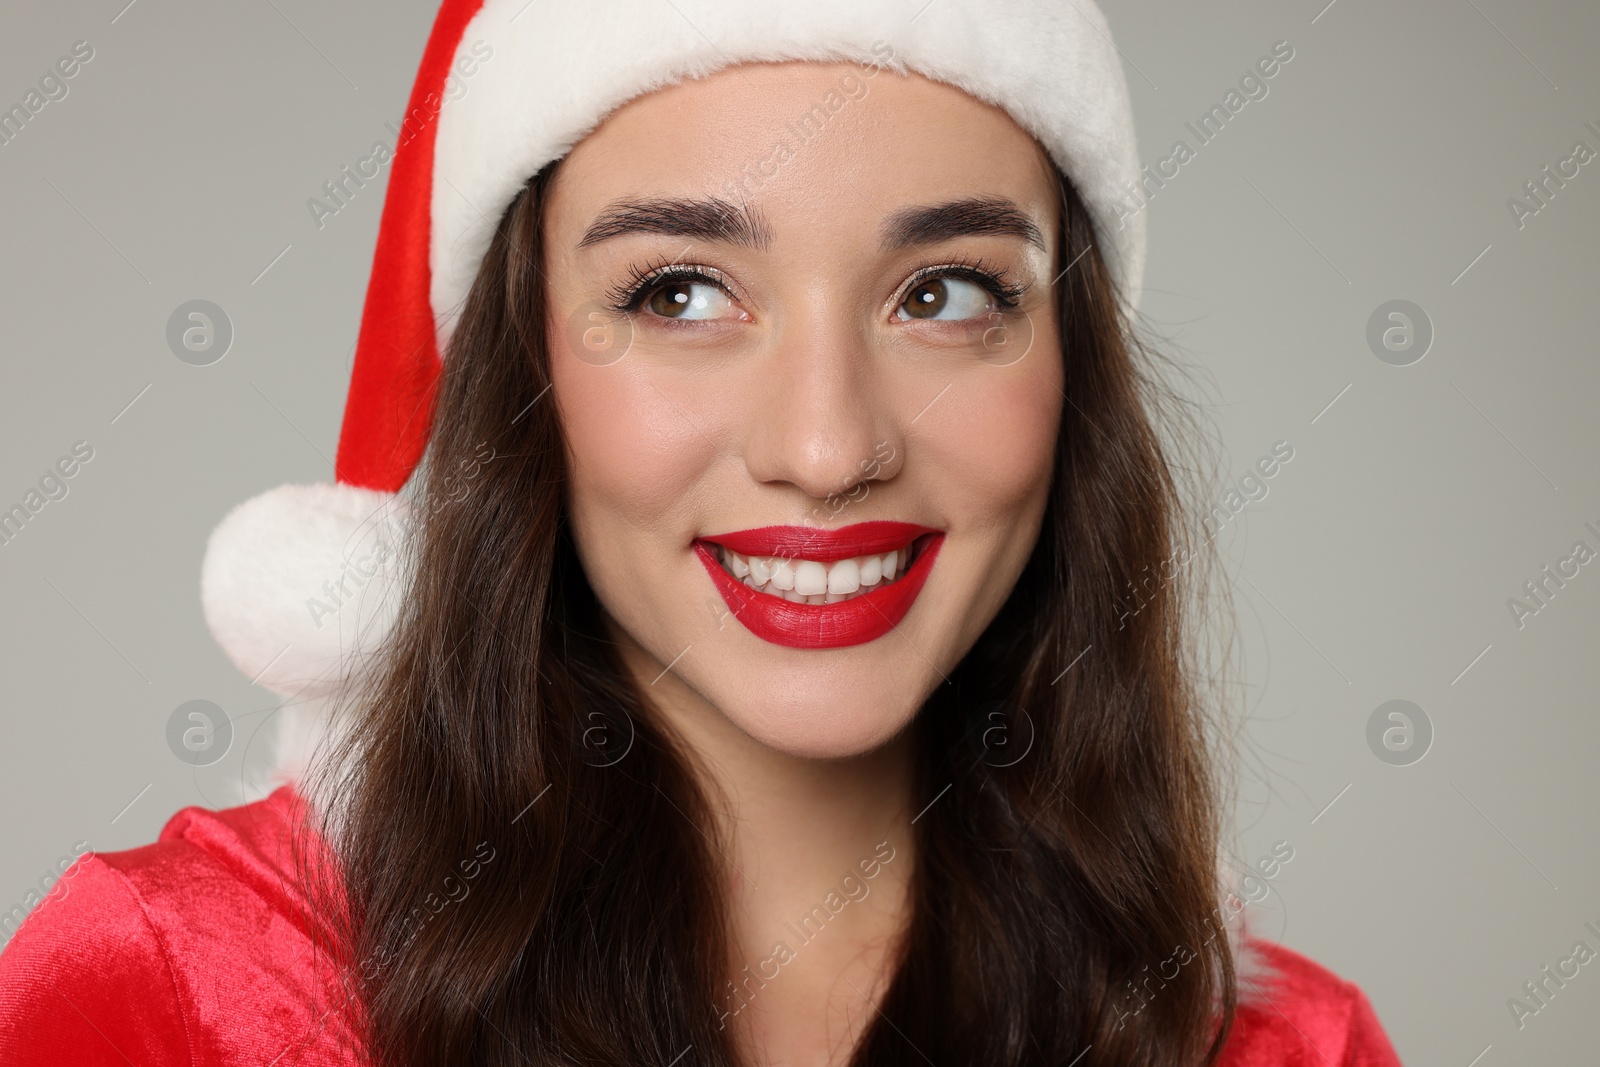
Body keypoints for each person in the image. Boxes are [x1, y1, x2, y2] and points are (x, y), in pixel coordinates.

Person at [0, 2, 1403, 1064]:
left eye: (947, 294)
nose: (827, 447)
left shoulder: (1286, 1047)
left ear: (1074, 367)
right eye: (679, 292)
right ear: (525, 370)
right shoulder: (179, 985)